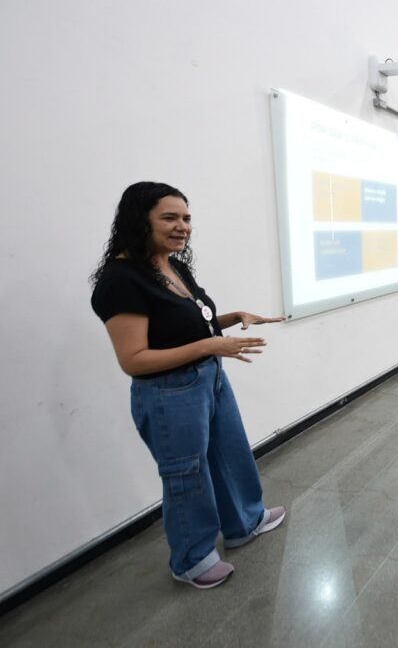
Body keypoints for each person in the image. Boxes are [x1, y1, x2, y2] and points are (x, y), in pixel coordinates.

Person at [90, 182, 287, 589]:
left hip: (208, 378)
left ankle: (244, 523)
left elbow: (188, 320)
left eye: (186, 218)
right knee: (187, 475)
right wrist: (212, 344)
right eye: (169, 218)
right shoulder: (121, 281)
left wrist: (233, 317)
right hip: (168, 394)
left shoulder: (170, 264)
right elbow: (134, 360)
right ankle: (192, 559)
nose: (182, 227)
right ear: (139, 219)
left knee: (229, 454)